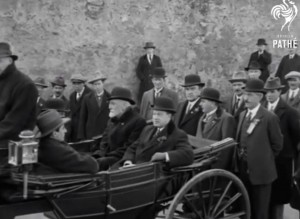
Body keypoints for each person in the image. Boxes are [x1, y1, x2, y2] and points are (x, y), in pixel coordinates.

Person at [235, 78, 283, 219]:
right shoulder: (243, 115)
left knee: (260, 211)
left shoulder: (269, 117)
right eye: (245, 94)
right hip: (243, 170)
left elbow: (277, 145)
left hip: (262, 173)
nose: (246, 98)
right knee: (245, 209)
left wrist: (262, 159)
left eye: (250, 95)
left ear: (260, 96)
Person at [263, 77, 300, 219]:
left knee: (278, 197)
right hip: (265, 160)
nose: (269, 95)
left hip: (282, 161)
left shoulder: (290, 112)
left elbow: (297, 138)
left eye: (272, 92)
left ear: (279, 91)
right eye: (267, 92)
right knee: (265, 196)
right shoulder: (261, 108)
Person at [122, 96, 194, 168]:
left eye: (159, 114)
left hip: (154, 173)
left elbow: (188, 154)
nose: (155, 117)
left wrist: (164, 155)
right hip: (134, 168)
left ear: (169, 116)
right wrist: (128, 160)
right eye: (154, 114)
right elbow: (133, 147)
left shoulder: (177, 134)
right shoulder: (147, 129)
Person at [0, 42, 38, 165]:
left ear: (10, 61)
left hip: (11, 150)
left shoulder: (25, 85)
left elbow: (14, 123)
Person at [93, 87, 146, 170]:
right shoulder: (112, 120)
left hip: (121, 159)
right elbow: (104, 141)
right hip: (106, 156)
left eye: (113, 103)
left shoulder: (138, 121)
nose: (109, 107)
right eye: (109, 103)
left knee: (94, 164)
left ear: (124, 105)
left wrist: (105, 157)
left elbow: (129, 147)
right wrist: (101, 154)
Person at [195, 87, 236, 169]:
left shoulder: (226, 118)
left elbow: (227, 148)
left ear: (213, 103)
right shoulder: (202, 118)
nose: (200, 104)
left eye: (203, 101)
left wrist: (218, 168)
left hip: (215, 167)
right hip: (200, 164)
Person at [78, 74, 110, 140]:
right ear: (92, 86)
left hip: (105, 131)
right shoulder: (87, 98)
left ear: (103, 84)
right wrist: (81, 135)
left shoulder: (109, 97)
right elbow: (82, 117)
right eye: (95, 84)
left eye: (99, 84)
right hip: (91, 132)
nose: (97, 86)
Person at [69, 73, 92, 142]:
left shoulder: (90, 94)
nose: (76, 85)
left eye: (78, 83)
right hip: (74, 131)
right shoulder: (72, 96)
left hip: (85, 130)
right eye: (74, 83)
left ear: (83, 83)